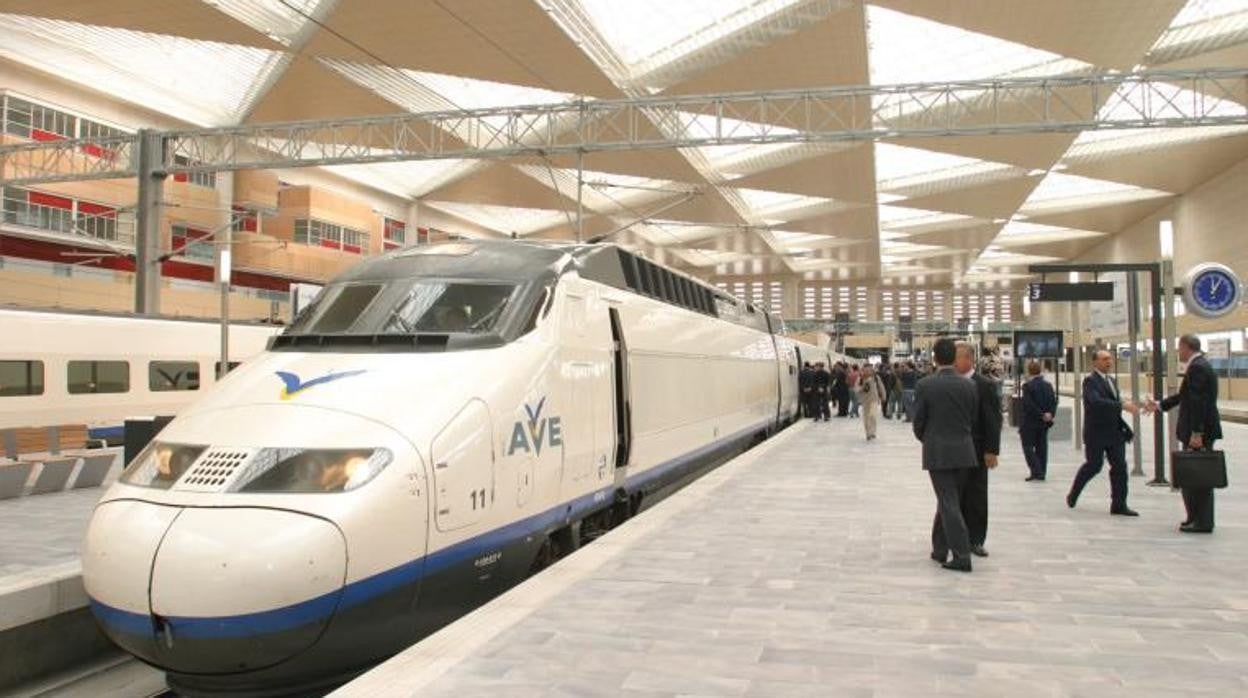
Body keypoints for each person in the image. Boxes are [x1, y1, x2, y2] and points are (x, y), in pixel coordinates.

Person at [913, 338, 980, 572]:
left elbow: (918, 422)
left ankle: (962, 556)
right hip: (964, 451)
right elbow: (972, 418)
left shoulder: (925, 385)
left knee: (948, 502)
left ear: (934, 358)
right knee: (949, 500)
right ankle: (939, 548)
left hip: (938, 452)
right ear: (953, 357)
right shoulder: (969, 386)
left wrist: (929, 439)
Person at [1153, 334, 1223, 533]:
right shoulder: (1199, 365)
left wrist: (1196, 432)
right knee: (1193, 476)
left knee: (1199, 477)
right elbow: (1185, 396)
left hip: (1198, 433)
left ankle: (1202, 521)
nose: (1178, 352)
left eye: (1179, 348)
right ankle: (1195, 517)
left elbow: (1198, 403)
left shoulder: (1198, 367)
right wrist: (1160, 405)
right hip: (1197, 431)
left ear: (1185, 347)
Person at [1066, 349, 1141, 516]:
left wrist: (1123, 404)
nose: (1109, 361)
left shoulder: (1112, 381)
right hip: (1096, 434)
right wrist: (1121, 405)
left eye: (1110, 359)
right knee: (1094, 466)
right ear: (1095, 362)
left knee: (1120, 467)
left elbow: (1113, 402)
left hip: (1114, 433)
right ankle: (1073, 493)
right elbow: (1095, 402)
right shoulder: (1090, 382)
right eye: (1105, 359)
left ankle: (1119, 504)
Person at [956, 342, 1002, 558]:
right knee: (956, 496)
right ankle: (957, 537)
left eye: (956, 358)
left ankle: (976, 539)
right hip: (954, 451)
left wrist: (992, 450)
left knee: (976, 496)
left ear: (969, 359)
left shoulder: (984, 385)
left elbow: (993, 420)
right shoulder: (951, 383)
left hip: (977, 449)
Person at [1019, 360, 1057, 482]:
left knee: (1027, 446)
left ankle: (1036, 470)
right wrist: (1049, 414)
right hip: (1044, 423)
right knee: (1042, 447)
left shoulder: (1027, 386)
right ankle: (1042, 472)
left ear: (1029, 371)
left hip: (1030, 422)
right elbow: (1053, 402)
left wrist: (1040, 414)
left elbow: (1029, 405)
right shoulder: (1048, 385)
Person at [858, 365, 886, 440]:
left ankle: (873, 431)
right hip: (865, 400)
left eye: (869, 370)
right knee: (866, 417)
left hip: (874, 399)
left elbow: (881, 386)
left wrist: (883, 395)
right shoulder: (861, 378)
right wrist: (862, 387)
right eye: (866, 370)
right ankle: (868, 433)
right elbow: (856, 388)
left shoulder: (876, 378)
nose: (867, 372)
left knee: (872, 415)